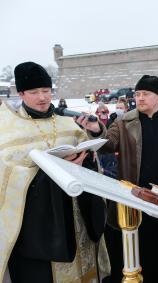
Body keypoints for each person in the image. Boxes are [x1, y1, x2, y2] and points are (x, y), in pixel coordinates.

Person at [0, 62, 108, 283]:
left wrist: (85, 159)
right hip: (36, 229)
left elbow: (90, 159)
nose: (42, 97)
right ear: (21, 93)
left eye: (46, 91)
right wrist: (53, 171)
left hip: (75, 219)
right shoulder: (6, 129)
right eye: (34, 92)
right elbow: (6, 177)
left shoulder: (68, 125)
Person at [78, 74, 158, 283]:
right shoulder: (124, 122)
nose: (140, 98)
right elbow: (108, 144)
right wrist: (98, 130)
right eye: (137, 94)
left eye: (145, 94)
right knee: (134, 252)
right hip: (133, 202)